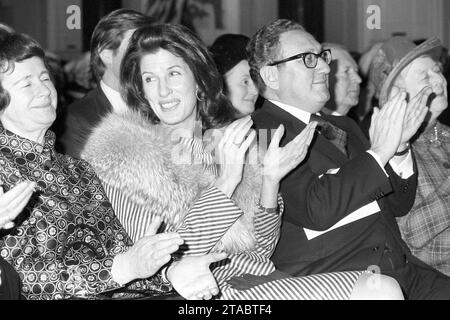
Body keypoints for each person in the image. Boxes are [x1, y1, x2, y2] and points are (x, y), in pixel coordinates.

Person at [81, 23, 404, 300]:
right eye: (149, 79)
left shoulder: (227, 142)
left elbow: (261, 249)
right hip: (203, 293)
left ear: (199, 81)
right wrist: (226, 183)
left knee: (382, 286)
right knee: (380, 290)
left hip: (258, 281)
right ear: (141, 89)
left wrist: (269, 184)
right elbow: (161, 262)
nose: (163, 91)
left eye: (173, 74)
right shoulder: (126, 153)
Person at [0, 31, 225, 300]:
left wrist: (169, 273)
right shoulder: (4, 168)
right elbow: (18, 279)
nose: (44, 90)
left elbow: (123, 256)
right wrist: (122, 268)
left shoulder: (77, 170)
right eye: (26, 84)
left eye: (45, 77)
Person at [248, 18, 450, 299]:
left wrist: (400, 148)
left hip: (403, 271)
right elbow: (313, 208)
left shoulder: (345, 127)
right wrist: (379, 152)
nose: (323, 66)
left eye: (321, 55)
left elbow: (398, 204)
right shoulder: (260, 132)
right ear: (271, 76)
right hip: (336, 278)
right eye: (308, 59)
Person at [369, 36, 450, 276]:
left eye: (438, 71)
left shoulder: (444, 134)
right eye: (426, 76)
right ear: (398, 92)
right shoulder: (390, 149)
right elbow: (412, 236)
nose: (440, 80)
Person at [59, 9, 154, 158]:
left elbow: (191, 165)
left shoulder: (162, 103)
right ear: (107, 55)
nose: (149, 58)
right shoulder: (77, 119)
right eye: (135, 49)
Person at [209, 34, 259, 117]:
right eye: (245, 82)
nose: (255, 91)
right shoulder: (197, 127)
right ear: (220, 84)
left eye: (256, 80)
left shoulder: (266, 127)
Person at [321, 43, 362, 117]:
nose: (359, 79)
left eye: (356, 71)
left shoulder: (353, 124)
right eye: (346, 71)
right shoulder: (308, 126)